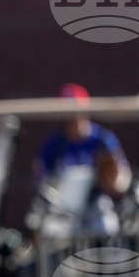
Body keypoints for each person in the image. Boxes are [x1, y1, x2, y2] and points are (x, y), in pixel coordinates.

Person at [30, 82, 131, 236]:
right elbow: (42, 179)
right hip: (64, 206)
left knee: (106, 226)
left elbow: (121, 177)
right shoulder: (53, 143)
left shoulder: (102, 139)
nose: (73, 116)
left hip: (96, 203)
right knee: (51, 231)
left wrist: (111, 180)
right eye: (67, 110)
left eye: (76, 109)